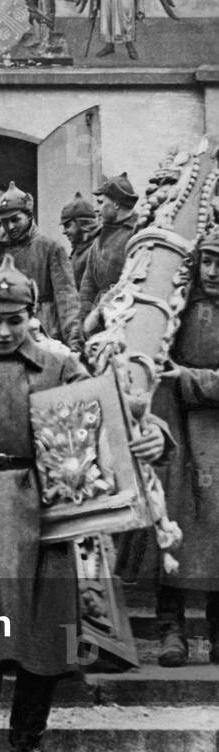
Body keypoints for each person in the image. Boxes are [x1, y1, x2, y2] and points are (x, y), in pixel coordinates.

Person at [0, 255, 168, 752]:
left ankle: (27, 737)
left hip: (48, 510)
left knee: (46, 627)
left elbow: (112, 409)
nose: (4, 332)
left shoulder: (58, 365)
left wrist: (155, 433)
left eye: (15, 320)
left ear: (33, 316)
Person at [153, 226, 219, 667]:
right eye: (207, 261)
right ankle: (171, 630)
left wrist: (191, 378)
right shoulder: (178, 304)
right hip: (175, 427)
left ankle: (217, 632)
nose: (212, 271)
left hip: (215, 430)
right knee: (169, 525)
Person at [0, 182, 83, 352]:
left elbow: (66, 298)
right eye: (4, 222)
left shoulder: (50, 248)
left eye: (15, 219)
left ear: (29, 216)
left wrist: (74, 341)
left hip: (45, 335)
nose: (10, 227)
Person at [79, 172, 139, 325]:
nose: (96, 209)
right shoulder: (99, 238)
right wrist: (83, 319)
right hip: (99, 318)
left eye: (101, 202)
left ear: (116, 204)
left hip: (126, 314)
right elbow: (88, 284)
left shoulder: (137, 233)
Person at [59, 192, 99, 289]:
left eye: (67, 226)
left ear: (82, 223)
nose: (64, 232)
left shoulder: (96, 251)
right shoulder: (78, 250)